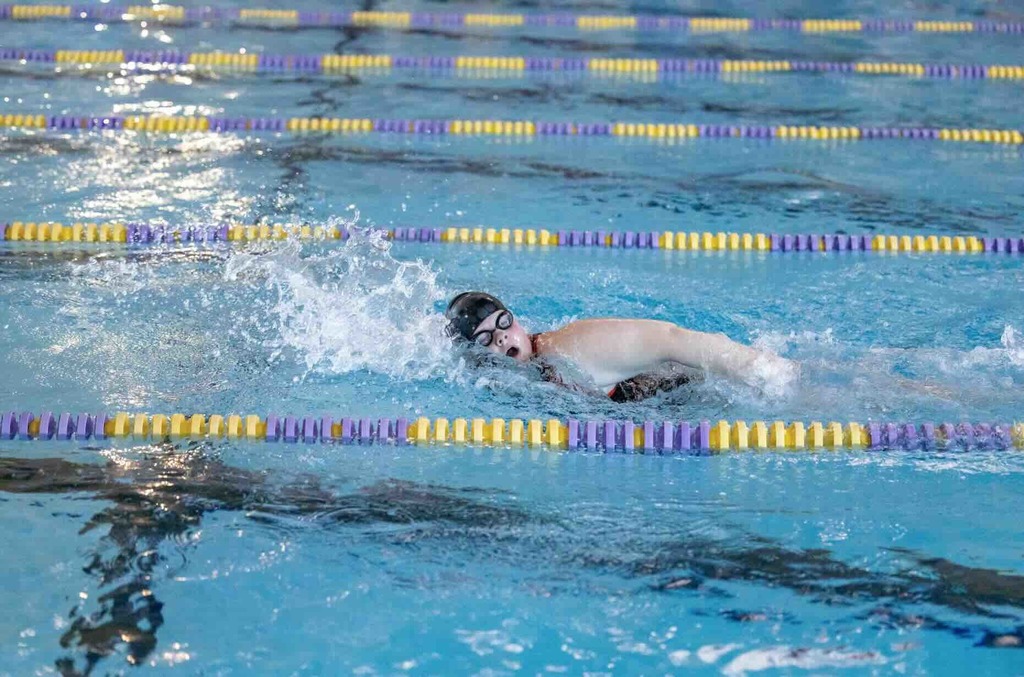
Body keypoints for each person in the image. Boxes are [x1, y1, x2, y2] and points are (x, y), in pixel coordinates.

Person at [444, 291, 797, 402]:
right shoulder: (499, 384)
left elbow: (670, 338)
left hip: (694, 392)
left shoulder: (569, 347)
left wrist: (759, 369)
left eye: (503, 323)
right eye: (486, 338)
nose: (503, 337)